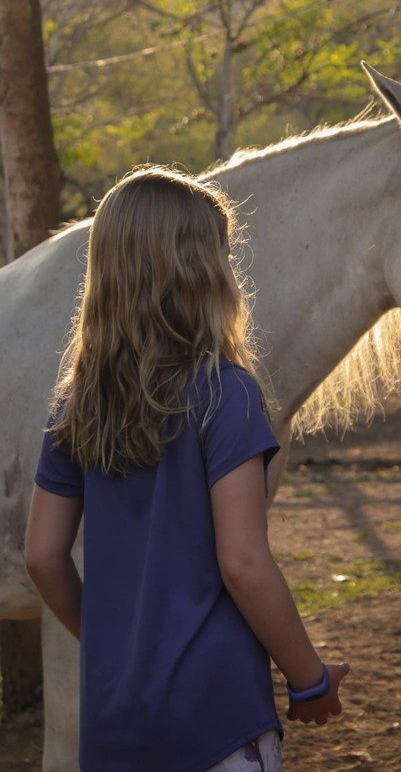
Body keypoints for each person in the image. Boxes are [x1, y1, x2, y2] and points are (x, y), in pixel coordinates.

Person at [25, 165, 349, 772]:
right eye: (225, 255)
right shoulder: (227, 393)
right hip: (217, 721)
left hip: (115, 728)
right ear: (201, 272)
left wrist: (115, 649)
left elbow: (43, 557)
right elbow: (244, 563)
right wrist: (310, 678)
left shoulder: (75, 404)